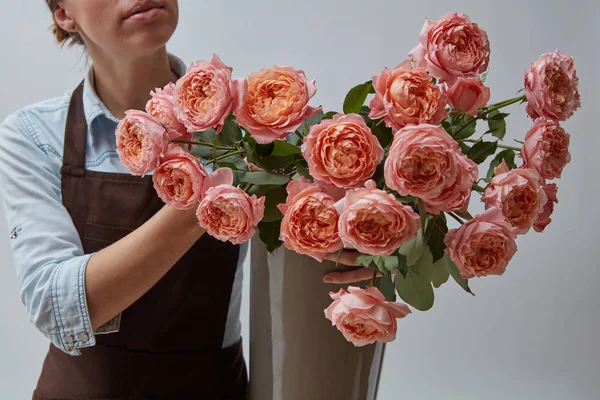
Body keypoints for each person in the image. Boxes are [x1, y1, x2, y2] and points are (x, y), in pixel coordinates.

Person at [0, 1, 248, 398]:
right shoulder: (33, 136)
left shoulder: (251, 124)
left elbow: (302, 261)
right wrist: (196, 208)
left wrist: (353, 254)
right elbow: (55, 307)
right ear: (64, 13)